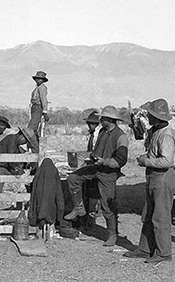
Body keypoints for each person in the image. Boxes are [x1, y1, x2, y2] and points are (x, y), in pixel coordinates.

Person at [64, 105, 128, 246]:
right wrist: (89, 158)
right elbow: (96, 152)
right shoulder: (103, 132)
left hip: (108, 173)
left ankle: (112, 234)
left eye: (103, 118)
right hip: (96, 167)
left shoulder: (121, 136)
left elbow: (121, 160)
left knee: (108, 205)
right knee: (73, 178)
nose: (101, 120)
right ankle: (79, 208)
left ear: (109, 120)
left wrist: (105, 161)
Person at [124, 98, 175, 263]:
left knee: (160, 216)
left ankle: (163, 253)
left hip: (162, 177)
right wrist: (146, 157)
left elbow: (166, 161)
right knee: (148, 214)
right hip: (155, 176)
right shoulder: (156, 132)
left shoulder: (166, 135)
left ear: (158, 117)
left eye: (151, 115)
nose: (149, 118)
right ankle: (145, 249)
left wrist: (145, 161)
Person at [0, 127, 38, 212]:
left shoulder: (14, 141)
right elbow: (12, 160)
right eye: (25, 141)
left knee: (12, 187)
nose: (25, 143)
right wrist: (21, 172)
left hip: (5, 167)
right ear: (22, 137)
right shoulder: (12, 140)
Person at [27, 71, 50, 135]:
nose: (38, 80)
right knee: (33, 125)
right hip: (34, 107)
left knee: (32, 126)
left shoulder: (42, 87)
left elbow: (43, 99)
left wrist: (45, 112)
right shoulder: (37, 88)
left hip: (38, 107)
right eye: (37, 78)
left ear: (43, 80)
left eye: (40, 79)